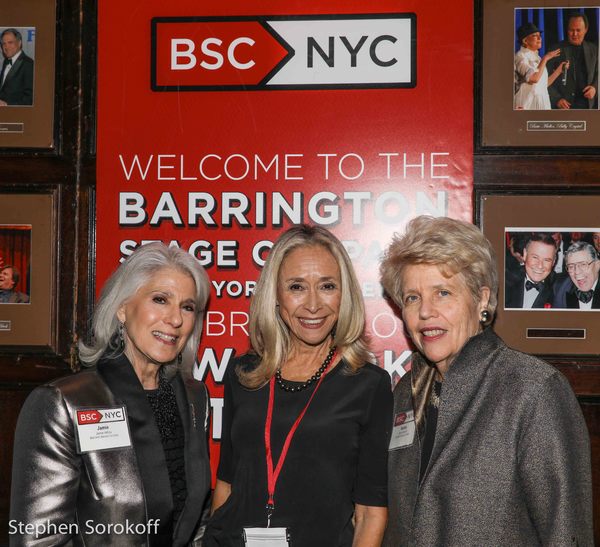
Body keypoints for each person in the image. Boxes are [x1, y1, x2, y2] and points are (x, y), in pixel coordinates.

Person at [379, 215, 593, 546]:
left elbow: (565, 535)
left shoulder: (533, 390)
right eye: (412, 297)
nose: (425, 312)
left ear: (480, 300)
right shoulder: (406, 394)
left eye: (443, 292)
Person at [10, 243, 212, 546]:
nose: (175, 320)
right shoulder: (63, 403)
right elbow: (38, 540)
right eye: (160, 300)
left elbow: (198, 523)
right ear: (122, 308)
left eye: (187, 307)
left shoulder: (194, 397)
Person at [204, 225, 393, 547]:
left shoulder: (368, 385)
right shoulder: (243, 374)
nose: (313, 305)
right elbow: (227, 482)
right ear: (275, 296)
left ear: (344, 294)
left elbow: (370, 513)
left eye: (327, 286)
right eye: (296, 287)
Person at [548, 12, 598, 109]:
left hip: (588, 105)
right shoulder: (554, 50)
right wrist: (556, 99)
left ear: (586, 30)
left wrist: (595, 88)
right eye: (571, 30)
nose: (574, 34)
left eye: (578, 30)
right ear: (567, 30)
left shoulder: (594, 49)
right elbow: (544, 80)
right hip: (563, 106)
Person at [513, 22, 566, 110]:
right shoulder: (520, 57)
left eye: (539, 35)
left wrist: (559, 70)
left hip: (542, 103)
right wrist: (546, 58)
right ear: (525, 40)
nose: (539, 38)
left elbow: (543, 84)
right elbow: (534, 79)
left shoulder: (537, 57)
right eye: (534, 35)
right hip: (527, 104)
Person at [505, 232, 557, 308]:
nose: (540, 266)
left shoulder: (559, 289)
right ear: (525, 254)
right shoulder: (506, 280)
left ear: (554, 262)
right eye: (535, 257)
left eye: (547, 260)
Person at [553, 241, 600, 309]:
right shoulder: (561, 289)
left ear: (597, 265)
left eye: (583, 264)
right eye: (571, 266)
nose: (577, 272)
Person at [0, 28, 34, 106]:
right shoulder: (6, 61)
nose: (6, 47)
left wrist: (7, 105)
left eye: (10, 42)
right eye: (4, 44)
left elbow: (30, 99)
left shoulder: (28, 64)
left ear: (19, 43)